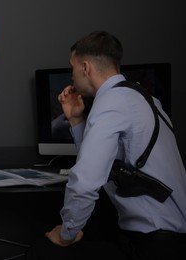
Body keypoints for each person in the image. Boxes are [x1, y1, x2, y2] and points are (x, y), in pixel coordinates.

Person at [28, 31, 186, 259]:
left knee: (42, 250)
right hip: (164, 237)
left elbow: (85, 182)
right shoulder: (143, 98)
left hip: (156, 244)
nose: (71, 77)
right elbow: (98, 164)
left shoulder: (111, 102)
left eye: (72, 68)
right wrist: (75, 119)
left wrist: (66, 234)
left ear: (85, 68)